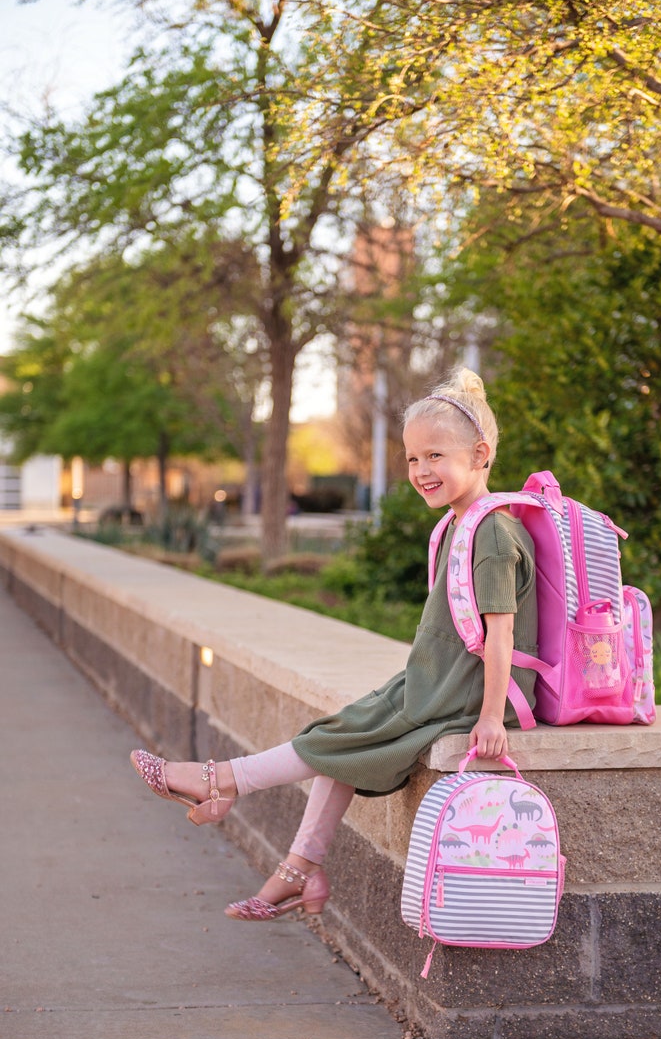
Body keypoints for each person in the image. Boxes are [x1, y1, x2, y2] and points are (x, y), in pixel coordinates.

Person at [130, 367, 538, 922]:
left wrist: (491, 717)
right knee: (339, 739)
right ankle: (299, 870)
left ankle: (219, 780)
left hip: (463, 699)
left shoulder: (491, 531)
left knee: (339, 741)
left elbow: (501, 634)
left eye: (435, 456)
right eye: (413, 459)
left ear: (480, 453)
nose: (421, 471)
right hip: (437, 684)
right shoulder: (460, 524)